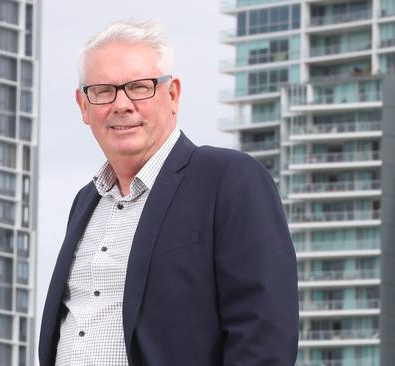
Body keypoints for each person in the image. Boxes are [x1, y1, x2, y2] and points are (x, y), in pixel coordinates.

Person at [39, 20, 298, 366]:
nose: (122, 104)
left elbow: (265, 334)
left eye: (139, 87)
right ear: (83, 106)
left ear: (172, 94)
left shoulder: (228, 179)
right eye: (102, 91)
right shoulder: (85, 202)